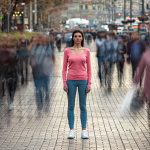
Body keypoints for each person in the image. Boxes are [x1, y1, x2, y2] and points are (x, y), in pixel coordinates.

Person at [62, 30, 91, 139]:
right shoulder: (67, 51)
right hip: (71, 81)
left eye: (80, 36)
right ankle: (71, 130)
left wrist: (89, 83)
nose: (78, 38)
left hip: (83, 80)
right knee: (71, 106)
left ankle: (84, 130)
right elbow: (64, 69)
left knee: (83, 106)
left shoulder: (86, 51)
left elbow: (89, 70)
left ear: (82, 38)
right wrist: (64, 82)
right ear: (73, 38)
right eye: (76, 36)